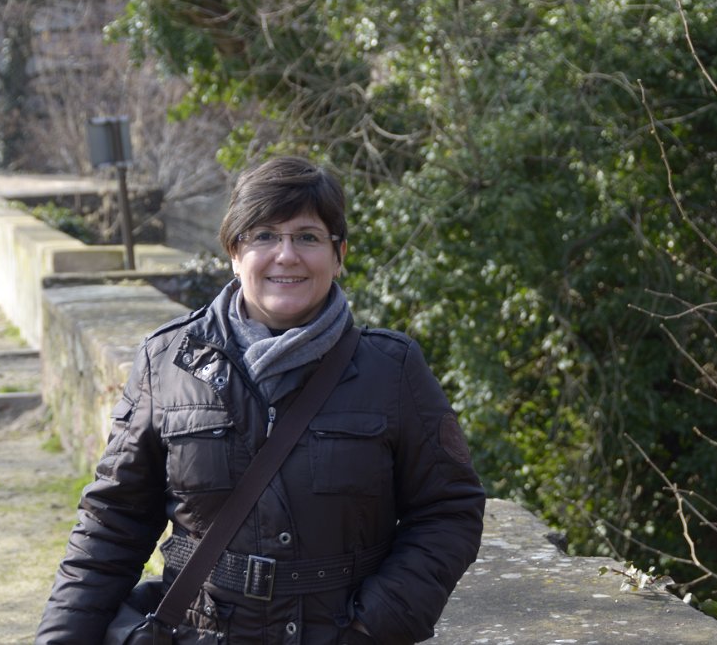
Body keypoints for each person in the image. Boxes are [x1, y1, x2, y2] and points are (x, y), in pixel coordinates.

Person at [36, 156, 485, 644]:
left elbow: (448, 511)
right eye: (264, 235)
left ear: (338, 255)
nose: (286, 255)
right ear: (234, 251)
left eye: (307, 237)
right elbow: (112, 524)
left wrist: (371, 627)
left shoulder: (391, 369)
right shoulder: (166, 361)